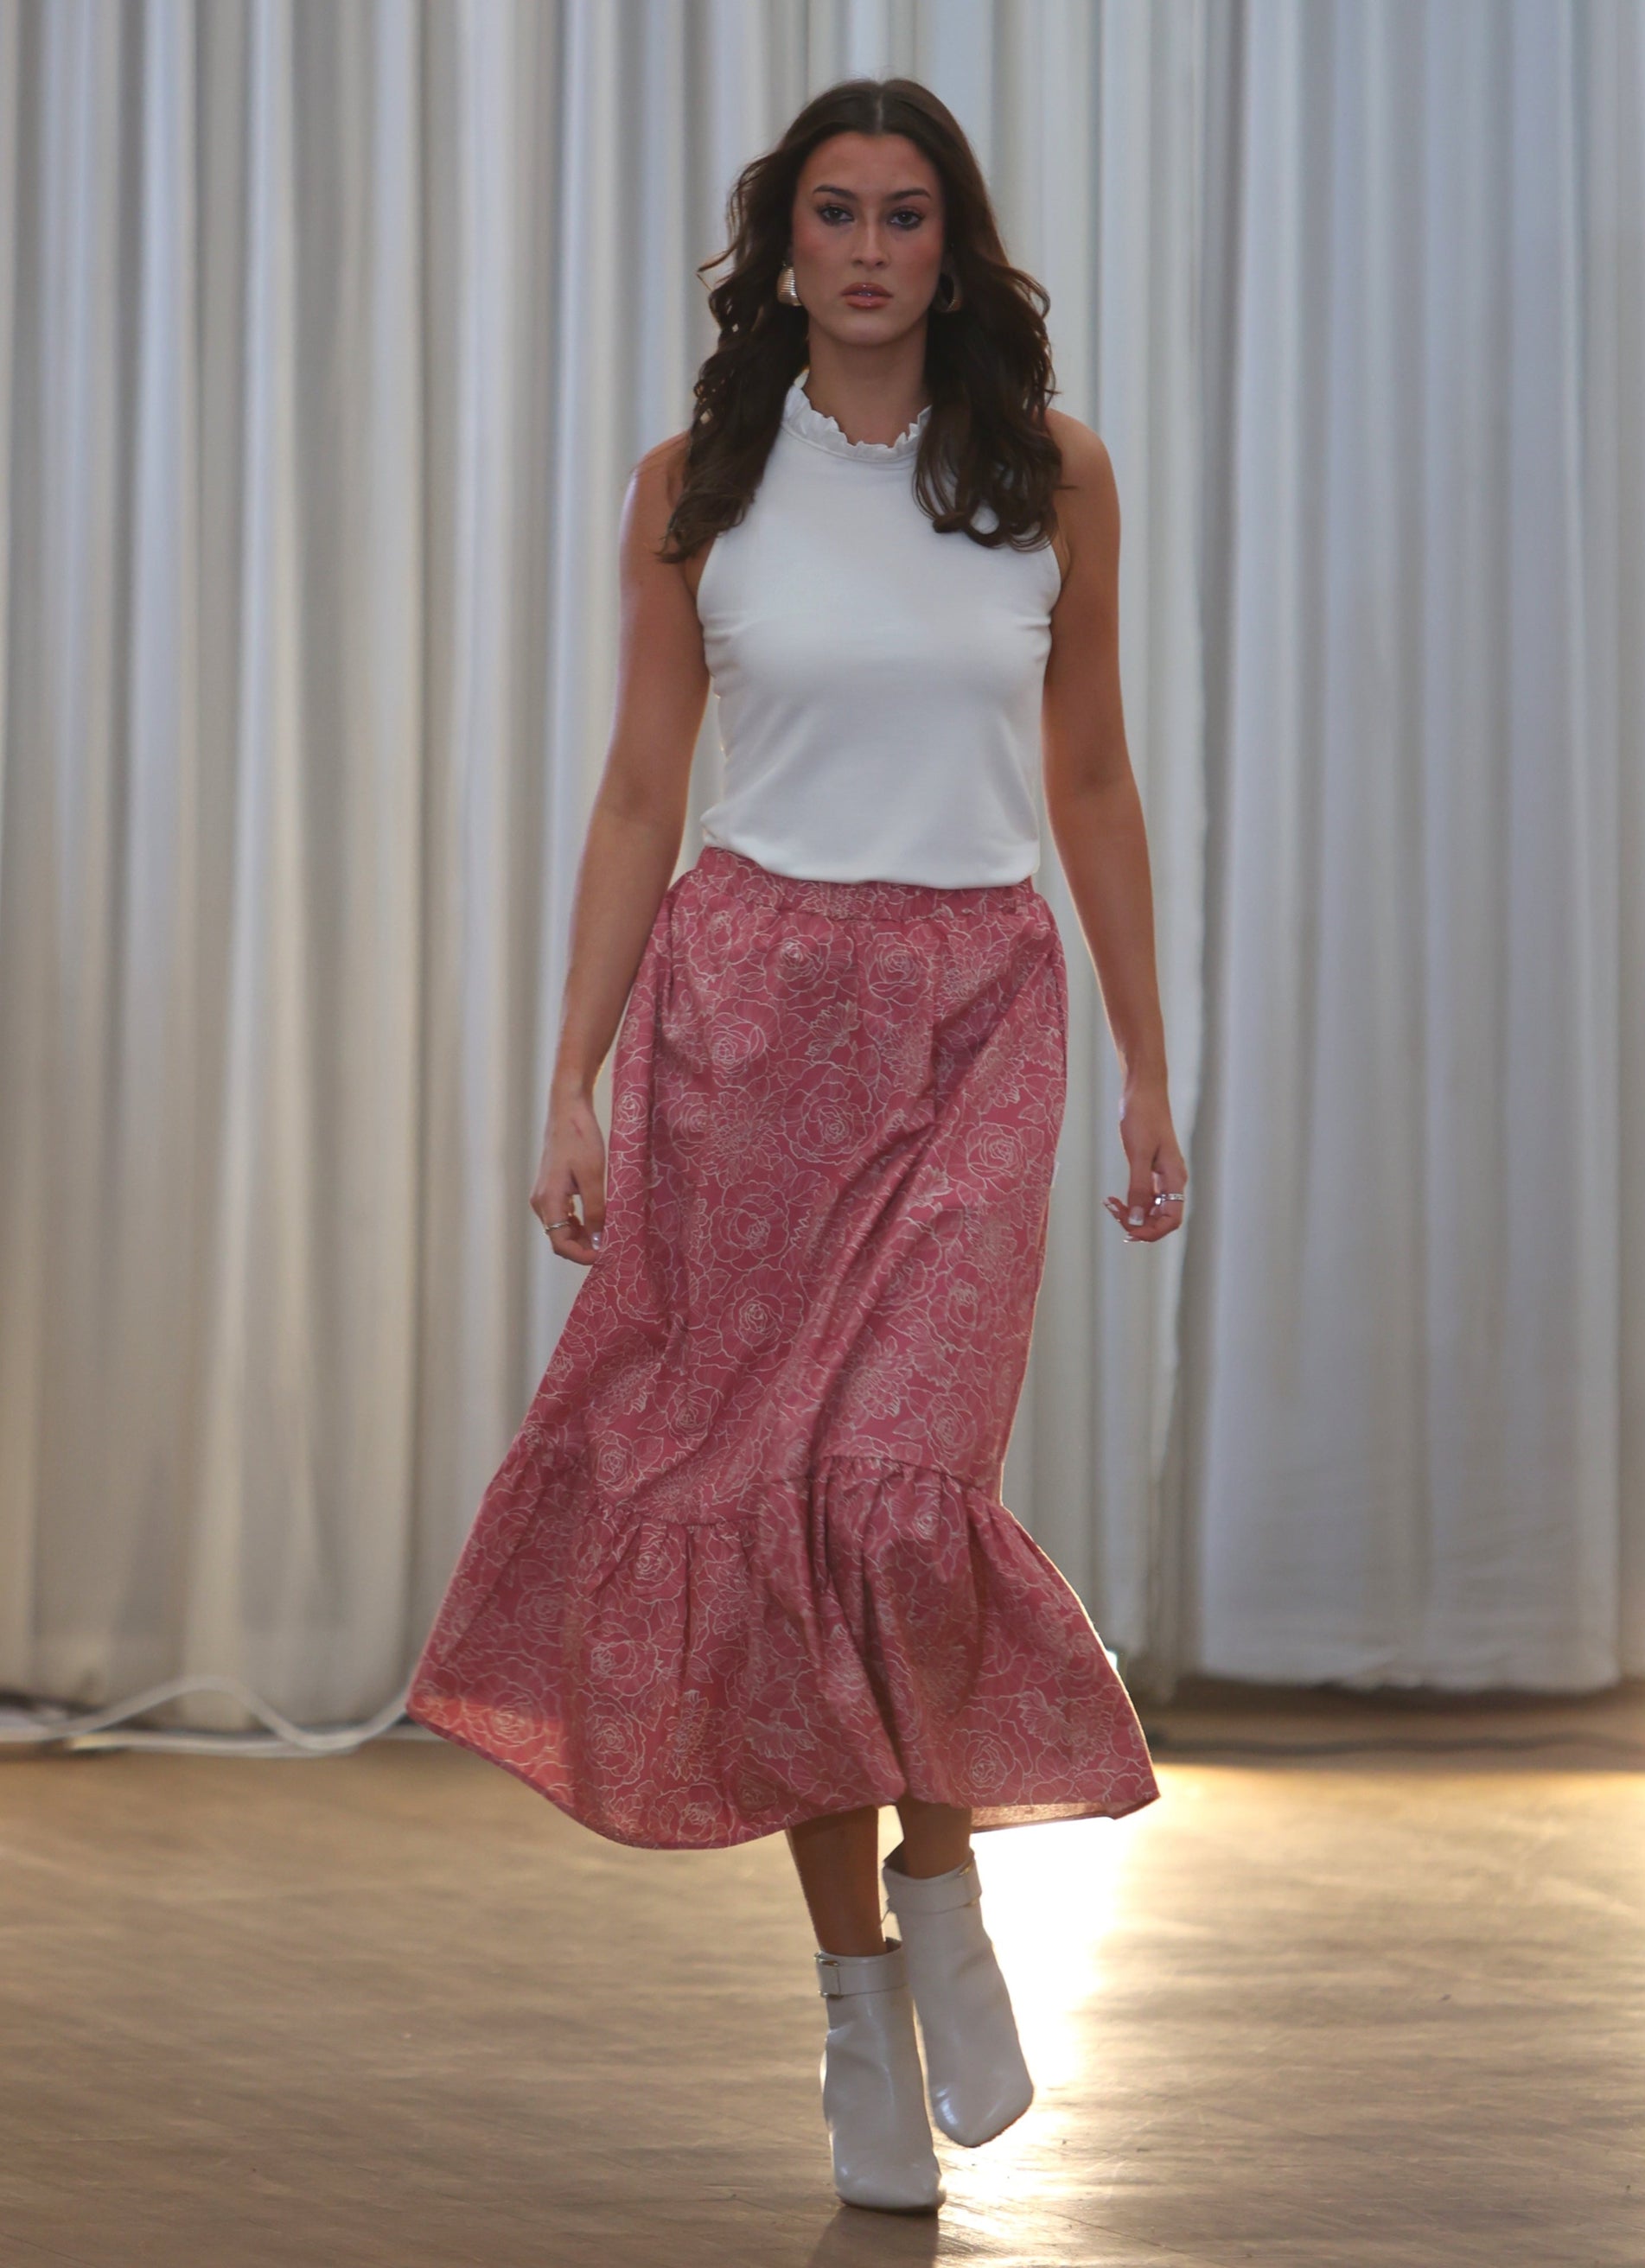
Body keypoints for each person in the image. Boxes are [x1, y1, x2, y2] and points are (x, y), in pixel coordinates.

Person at [406, 74, 1186, 2217]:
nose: (867, 250)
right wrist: (570, 1078)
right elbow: (637, 793)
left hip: (977, 1009)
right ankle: (861, 1993)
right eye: (833, 213)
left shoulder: (1050, 476)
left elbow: (1092, 778)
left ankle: (942, 1899)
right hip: (744, 1021)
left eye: (904, 214)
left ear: (955, 246)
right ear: (780, 247)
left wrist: (1143, 1060)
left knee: (892, 1496)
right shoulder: (698, 485)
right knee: (767, 1513)